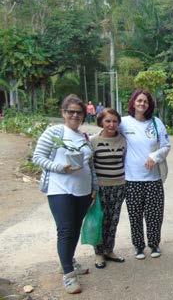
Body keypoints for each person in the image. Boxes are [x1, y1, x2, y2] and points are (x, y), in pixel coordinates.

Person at [32, 94, 97, 294]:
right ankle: (68, 275)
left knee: (75, 229)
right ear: (63, 113)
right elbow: (38, 157)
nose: (75, 116)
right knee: (66, 230)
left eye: (79, 112)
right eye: (71, 112)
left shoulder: (84, 137)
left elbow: (90, 164)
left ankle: (68, 261)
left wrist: (94, 186)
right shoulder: (54, 132)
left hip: (83, 191)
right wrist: (60, 167)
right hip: (60, 190)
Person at [120, 89, 170, 259]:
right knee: (135, 215)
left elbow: (166, 146)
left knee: (154, 215)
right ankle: (138, 246)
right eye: (139, 100)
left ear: (149, 105)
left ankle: (154, 244)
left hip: (153, 178)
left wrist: (154, 156)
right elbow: (107, 132)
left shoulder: (156, 123)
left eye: (145, 102)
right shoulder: (124, 123)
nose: (142, 104)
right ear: (133, 102)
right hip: (131, 179)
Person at [90, 108, 127, 269]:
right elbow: (90, 166)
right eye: (108, 121)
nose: (111, 124)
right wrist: (92, 188)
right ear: (101, 122)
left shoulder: (123, 140)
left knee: (113, 220)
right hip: (101, 189)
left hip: (119, 187)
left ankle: (109, 250)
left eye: (114, 121)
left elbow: (125, 161)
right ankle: (99, 253)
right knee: (101, 220)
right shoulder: (93, 141)